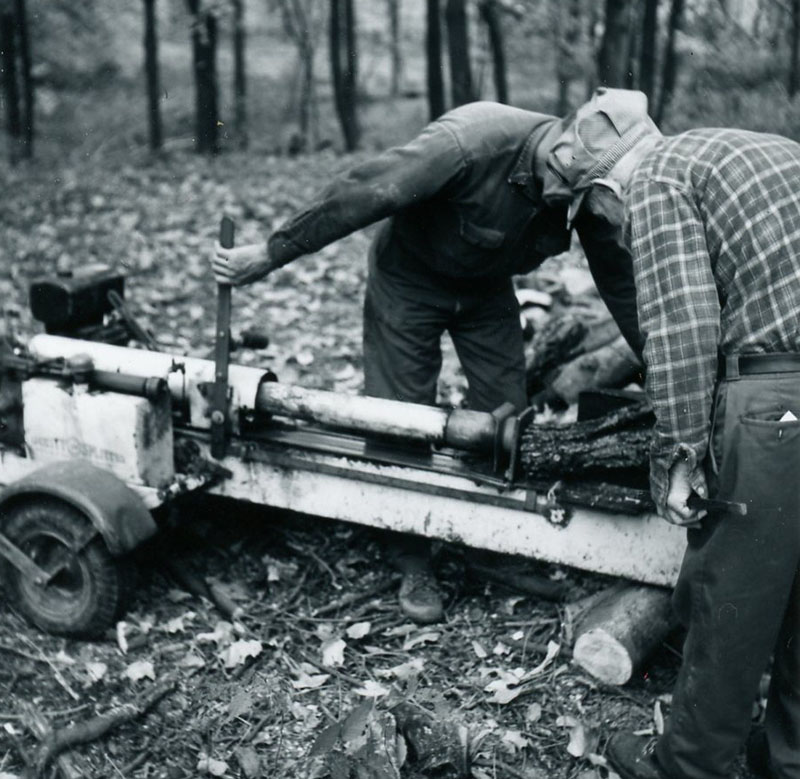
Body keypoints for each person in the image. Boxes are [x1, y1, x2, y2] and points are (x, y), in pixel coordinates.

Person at [213, 100, 639, 625]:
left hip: (486, 289)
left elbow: (620, 281)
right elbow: (362, 194)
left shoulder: (585, 184)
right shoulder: (467, 144)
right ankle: (410, 555)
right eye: (571, 192)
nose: (575, 206)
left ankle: (488, 546)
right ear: (560, 153)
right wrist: (272, 252)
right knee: (400, 414)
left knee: (505, 413)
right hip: (408, 281)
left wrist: (658, 359)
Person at [544, 87, 800, 779]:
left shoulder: (656, 181)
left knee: (732, 590)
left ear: (601, 189)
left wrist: (679, 455)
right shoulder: (759, 151)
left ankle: (689, 765)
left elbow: (683, 331)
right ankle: (788, 757)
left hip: (780, 395)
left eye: (594, 212)